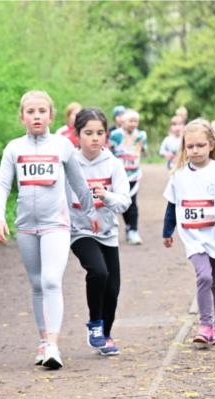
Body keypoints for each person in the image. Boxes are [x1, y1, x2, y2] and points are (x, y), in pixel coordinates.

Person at [0, 90, 98, 370]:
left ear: (51, 115)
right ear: (22, 117)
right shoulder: (14, 148)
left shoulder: (62, 146)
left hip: (56, 224)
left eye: (42, 111)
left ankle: (53, 344)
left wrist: (90, 213)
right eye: (30, 112)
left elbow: (79, 183)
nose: (36, 116)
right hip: (26, 226)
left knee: (51, 280)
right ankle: (43, 340)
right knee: (37, 284)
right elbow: (2, 185)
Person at [162, 118, 215, 347]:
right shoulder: (178, 175)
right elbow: (172, 205)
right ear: (184, 148)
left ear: (211, 145)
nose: (195, 150)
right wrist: (167, 231)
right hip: (193, 237)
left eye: (200, 145)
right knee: (204, 276)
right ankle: (205, 325)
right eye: (190, 146)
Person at [66, 108, 131, 357]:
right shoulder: (69, 162)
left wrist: (106, 195)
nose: (95, 138)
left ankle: (106, 335)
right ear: (77, 134)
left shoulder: (113, 164)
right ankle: (95, 324)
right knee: (98, 271)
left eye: (100, 133)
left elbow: (125, 202)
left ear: (106, 135)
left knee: (112, 287)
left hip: (107, 231)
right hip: (80, 231)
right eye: (88, 133)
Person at [109, 108, 147, 245]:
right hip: (118, 176)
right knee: (118, 202)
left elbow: (144, 150)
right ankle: (111, 230)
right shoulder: (114, 135)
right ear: (123, 121)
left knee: (132, 203)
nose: (133, 124)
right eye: (130, 121)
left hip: (134, 174)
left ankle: (133, 230)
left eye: (136, 121)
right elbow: (109, 151)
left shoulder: (141, 135)